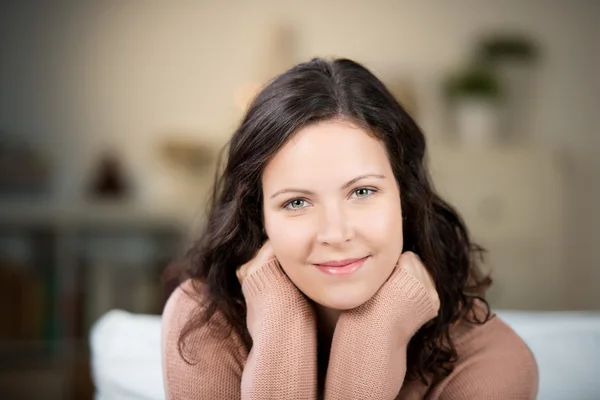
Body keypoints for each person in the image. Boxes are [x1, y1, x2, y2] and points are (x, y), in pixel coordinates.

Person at [161, 58, 538, 399]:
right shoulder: (203, 322)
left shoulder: (492, 363)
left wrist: (373, 335)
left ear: (406, 199)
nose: (335, 233)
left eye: (362, 191)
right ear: (257, 216)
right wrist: (282, 324)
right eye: (296, 202)